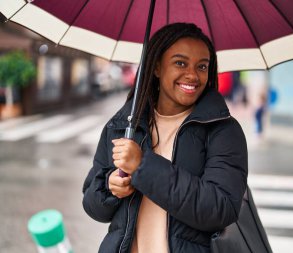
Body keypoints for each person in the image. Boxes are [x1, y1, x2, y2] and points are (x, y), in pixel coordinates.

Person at [82, 23, 248, 253]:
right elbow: (92, 207)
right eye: (180, 63)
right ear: (157, 67)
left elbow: (221, 208)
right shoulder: (123, 124)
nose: (192, 75)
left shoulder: (223, 131)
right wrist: (110, 187)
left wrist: (143, 166)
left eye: (202, 66)